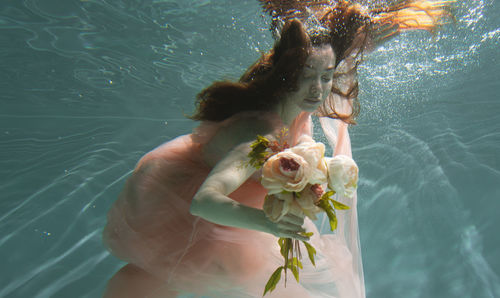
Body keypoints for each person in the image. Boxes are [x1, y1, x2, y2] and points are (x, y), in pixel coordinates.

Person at [102, 1, 453, 297]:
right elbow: (203, 201)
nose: (318, 89)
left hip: (238, 204)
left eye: (326, 76)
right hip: (185, 203)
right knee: (160, 276)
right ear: (288, 74)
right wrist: (269, 223)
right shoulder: (261, 133)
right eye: (306, 76)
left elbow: (332, 64)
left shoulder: (296, 105)